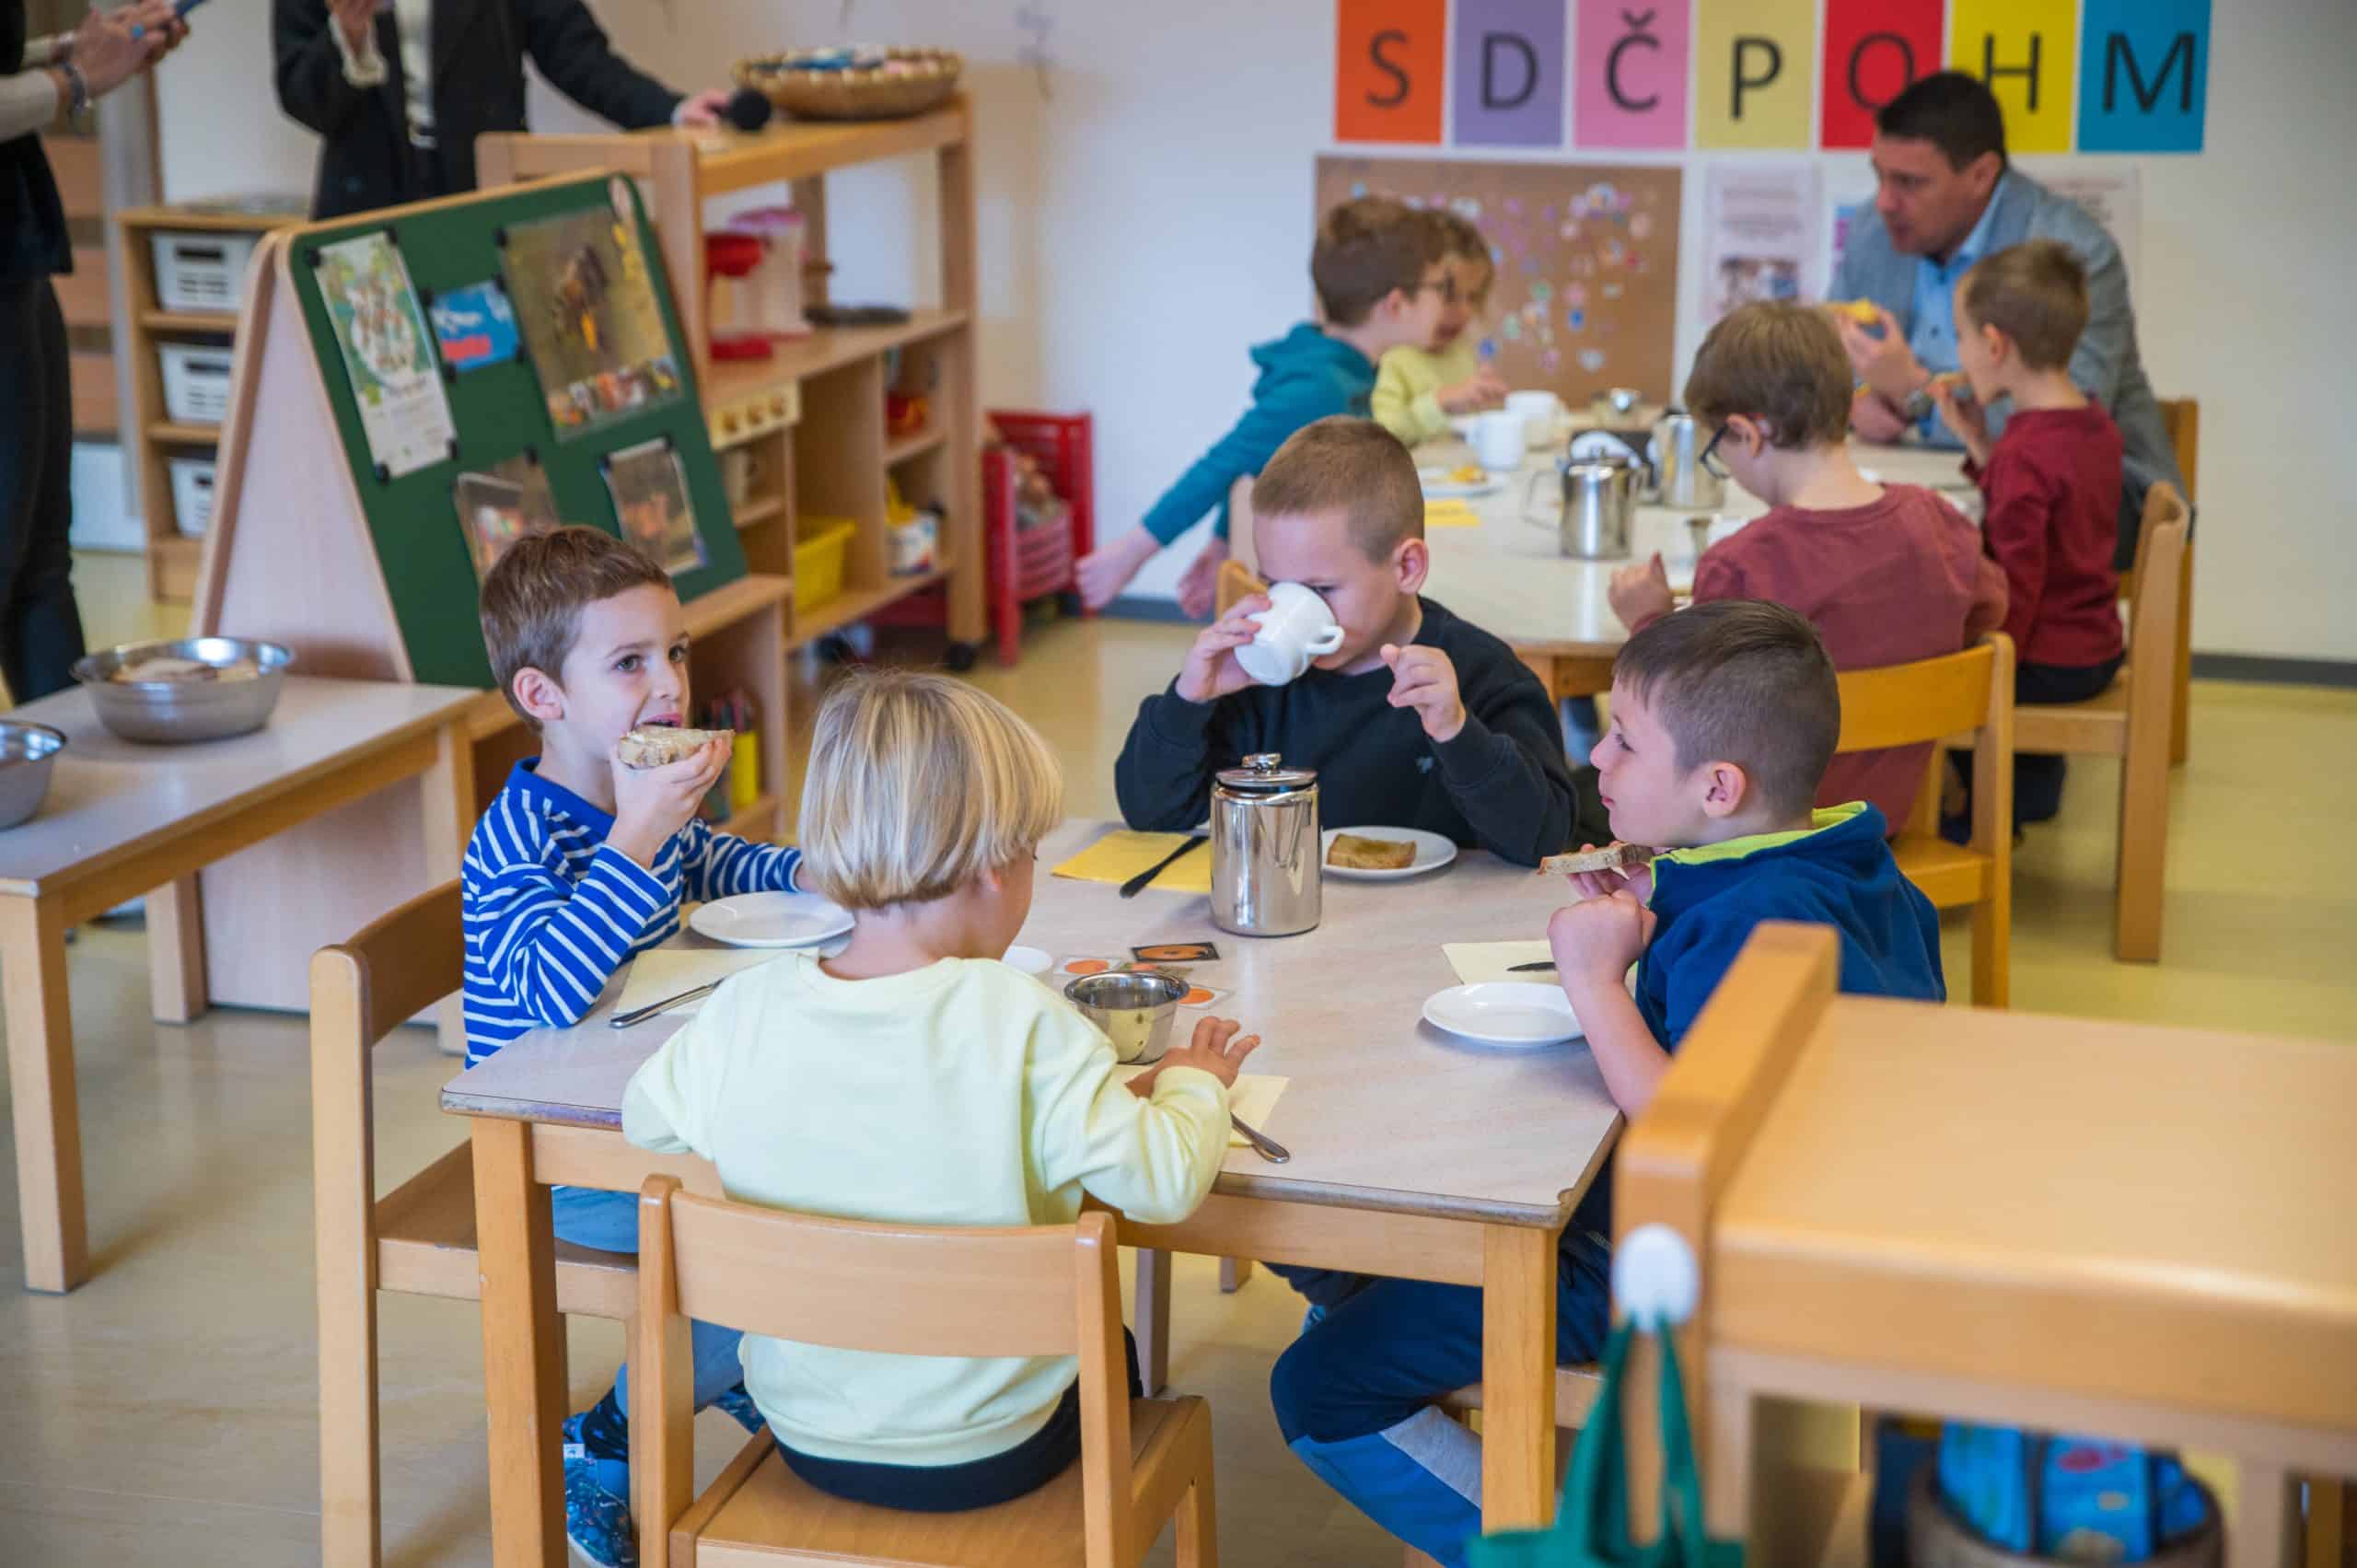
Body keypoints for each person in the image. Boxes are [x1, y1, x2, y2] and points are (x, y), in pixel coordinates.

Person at [1269, 601, 1945, 1567]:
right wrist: (1656, 905)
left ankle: (1550, 1547)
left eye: (1624, 741)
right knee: (1336, 1252)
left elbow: (1687, 1136)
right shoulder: (1848, 865)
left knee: (1320, 1382)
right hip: (1804, 1237)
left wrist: (1594, 982)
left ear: (1717, 785)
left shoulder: (1756, 925)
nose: (1598, 762)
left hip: (1663, 1265)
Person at [623, 670, 1256, 1521]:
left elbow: (646, 1117)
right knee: (1118, 1349)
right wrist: (1193, 1083)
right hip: (993, 1452)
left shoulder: (746, 1007)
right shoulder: (1026, 1021)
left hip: (806, 1433)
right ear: (997, 867)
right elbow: (1165, 1181)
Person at [459, 526, 804, 1568]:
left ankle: (730, 1356)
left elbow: (724, 862)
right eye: (629, 663)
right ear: (542, 695)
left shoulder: (639, 795)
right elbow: (551, 993)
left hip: (653, 1115)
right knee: (777, 1219)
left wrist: (833, 872)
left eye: (677, 652)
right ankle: (605, 1438)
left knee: (806, 1171)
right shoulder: (521, 835)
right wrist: (637, 837)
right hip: (560, 1158)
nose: (670, 685)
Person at [1115, 416, 1601, 866]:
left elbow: (1543, 842)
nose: (1296, 609)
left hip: (1434, 937)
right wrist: (1187, 702)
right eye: (1276, 585)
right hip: (1286, 924)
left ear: (1407, 567)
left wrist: (1457, 731)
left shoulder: (1481, 675)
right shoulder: (1257, 683)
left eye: (1322, 589)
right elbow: (1151, 816)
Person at [1608, 301, 2007, 831]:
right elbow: (1989, 610)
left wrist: (1649, 622)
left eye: (1717, 453)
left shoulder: (1740, 566)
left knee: (1587, 790)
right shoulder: (1939, 523)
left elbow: (1690, 720)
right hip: (1886, 826)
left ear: (1747, 434)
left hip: (1774, 844)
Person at [1832, 70, 2180, 567]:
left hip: (2079, 506)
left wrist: (1916, 393)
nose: (1885, 201)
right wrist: (1856, 397)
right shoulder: (1875, 227)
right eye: (1879, 175)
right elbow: (1826, 354)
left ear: (1981, 175)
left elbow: (2058, 433)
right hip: (1921, 491)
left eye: (1909, 182)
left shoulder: (2072, 255)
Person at [1074, 195, 1448, 619]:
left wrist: (1219, 541)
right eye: (1440, 287)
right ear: (1396, 304)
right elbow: (1224, 462)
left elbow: (1261, 458)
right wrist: (1132, 551)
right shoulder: (1320, 385)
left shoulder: (1342, 364)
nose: (1446, 301)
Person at [2, 0, 181, 702]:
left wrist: (71, 47)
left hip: (17, 251)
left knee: (44, 557)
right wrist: (77, 80)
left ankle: (75, 780)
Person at [1931, 240, 2124, 827]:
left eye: (1961, 338)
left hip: (2047, 659)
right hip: (2096, 645)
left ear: (1994, 345)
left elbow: (2017, 589)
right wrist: (1980, 444)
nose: (1958, 353)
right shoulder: (2091, 424)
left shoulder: (2024, 455)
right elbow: (2049, 519)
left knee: (1932, 671)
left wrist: (1982, 664)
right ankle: (2032, 789)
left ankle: (1985, 816)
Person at [273, 0, 731, 219]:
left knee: (491, 379)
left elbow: (576, 54)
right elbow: (302, 98)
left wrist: (670, 110)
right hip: (365, 200)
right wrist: (349, 36)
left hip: (484, 184)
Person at [1370, 207, 1505, 447]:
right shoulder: (1393, 357)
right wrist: (1439, 402)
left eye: (1473, 297)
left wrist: (1486, 398)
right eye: (1448, 295)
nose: (1464, 311)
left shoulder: (1461, 351)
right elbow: (1380, 434)